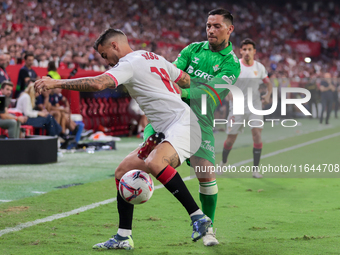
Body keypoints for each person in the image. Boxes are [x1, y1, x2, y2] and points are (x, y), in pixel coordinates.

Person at [34, 28, 211, 250]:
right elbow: (184, 79)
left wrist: (57, 83)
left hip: (183, 124)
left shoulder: (128, 63)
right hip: (165, 129)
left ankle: (198, 217)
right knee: (122, 171)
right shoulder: (151, 56)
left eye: (104, 54)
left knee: (155, 162)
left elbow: (98, 84)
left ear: (115, 46)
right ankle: (123, 236)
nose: (105, 60)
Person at [126, 8, 241, 246]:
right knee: (135, 167)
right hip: (168, 116)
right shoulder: (192, 49)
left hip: (200, 122)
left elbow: (211, 92)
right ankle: (123, 233)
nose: (210, 30)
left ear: (229, 29)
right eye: (208, 25)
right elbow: (172, 73)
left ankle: (207, 227)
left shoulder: (231, 63)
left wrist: (184, 90)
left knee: (206, 175)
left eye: (217, 26)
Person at [220, 38, 273, 179]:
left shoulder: (259, 67)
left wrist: (267, 96)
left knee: (256, 134)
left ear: (254, 51)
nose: (247, 52)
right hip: (237, 106)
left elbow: (268, 84)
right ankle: (223, 162)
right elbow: (224, 81)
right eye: (245, 49)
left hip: (255, 106)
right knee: (231, 139)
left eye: (250, 49)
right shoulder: (235, 65)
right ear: (240, 51)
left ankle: (255, 170)